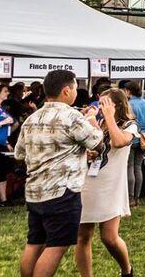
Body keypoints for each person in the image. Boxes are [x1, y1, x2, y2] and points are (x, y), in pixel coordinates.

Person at [16, 69, 105, 277]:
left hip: (35, 191)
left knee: (34, 243)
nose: (76, 92)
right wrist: (92, 120)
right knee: (56, 246)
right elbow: (97, 143)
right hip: (62, 192)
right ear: (66, 90)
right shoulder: (71, 116)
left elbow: (19, 154)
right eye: (74, 88)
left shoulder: (32, 118)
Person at [75, 88, 137, 277]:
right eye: (99, 103)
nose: (100, 107)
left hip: (111, 184)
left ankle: (127, 270)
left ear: (117, 104)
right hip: (88, 182)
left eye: (105, 103)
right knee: (82, 236)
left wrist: (109, 117)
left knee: (109, 237)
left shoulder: (130, 125)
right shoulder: (99, 122)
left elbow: (118, 141)